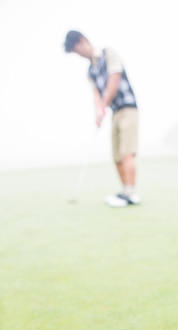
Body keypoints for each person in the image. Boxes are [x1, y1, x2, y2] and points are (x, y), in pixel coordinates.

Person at [64, 30, 140, 207]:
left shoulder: (109, 53)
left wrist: (104, 104)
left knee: (127, 152)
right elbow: (96, 95)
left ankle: (132, 194)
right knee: (117, 155)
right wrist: (98, 113)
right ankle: (125, 191)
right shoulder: (90, 70)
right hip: (114, 112)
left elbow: (114, 79)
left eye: (77, 50)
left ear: (83, 41)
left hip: (128, 108)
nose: (79, 55)